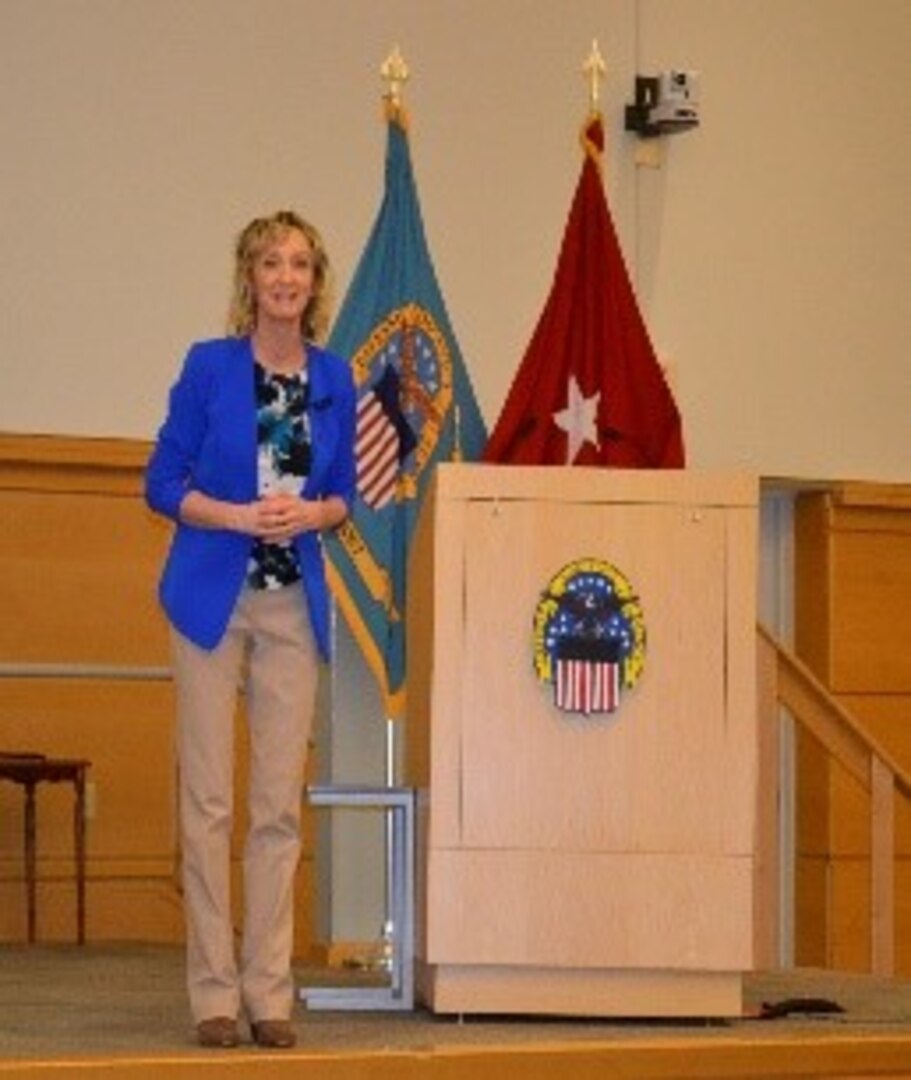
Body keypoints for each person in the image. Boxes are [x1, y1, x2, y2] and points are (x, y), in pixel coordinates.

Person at [145, 210, 356, 1049]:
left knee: (275, 809)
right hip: (210, 601)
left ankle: (270, 992)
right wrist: (235, 516)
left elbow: (344, 494)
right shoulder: (209, 368)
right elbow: (161, 482)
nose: (286, 276)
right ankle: (213, 995)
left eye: (300, 263)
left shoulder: (335, 377)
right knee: (208, 803)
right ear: (250, 278)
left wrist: (313, 511)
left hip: (289, 603)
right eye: (272, 261)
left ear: (314, 282)